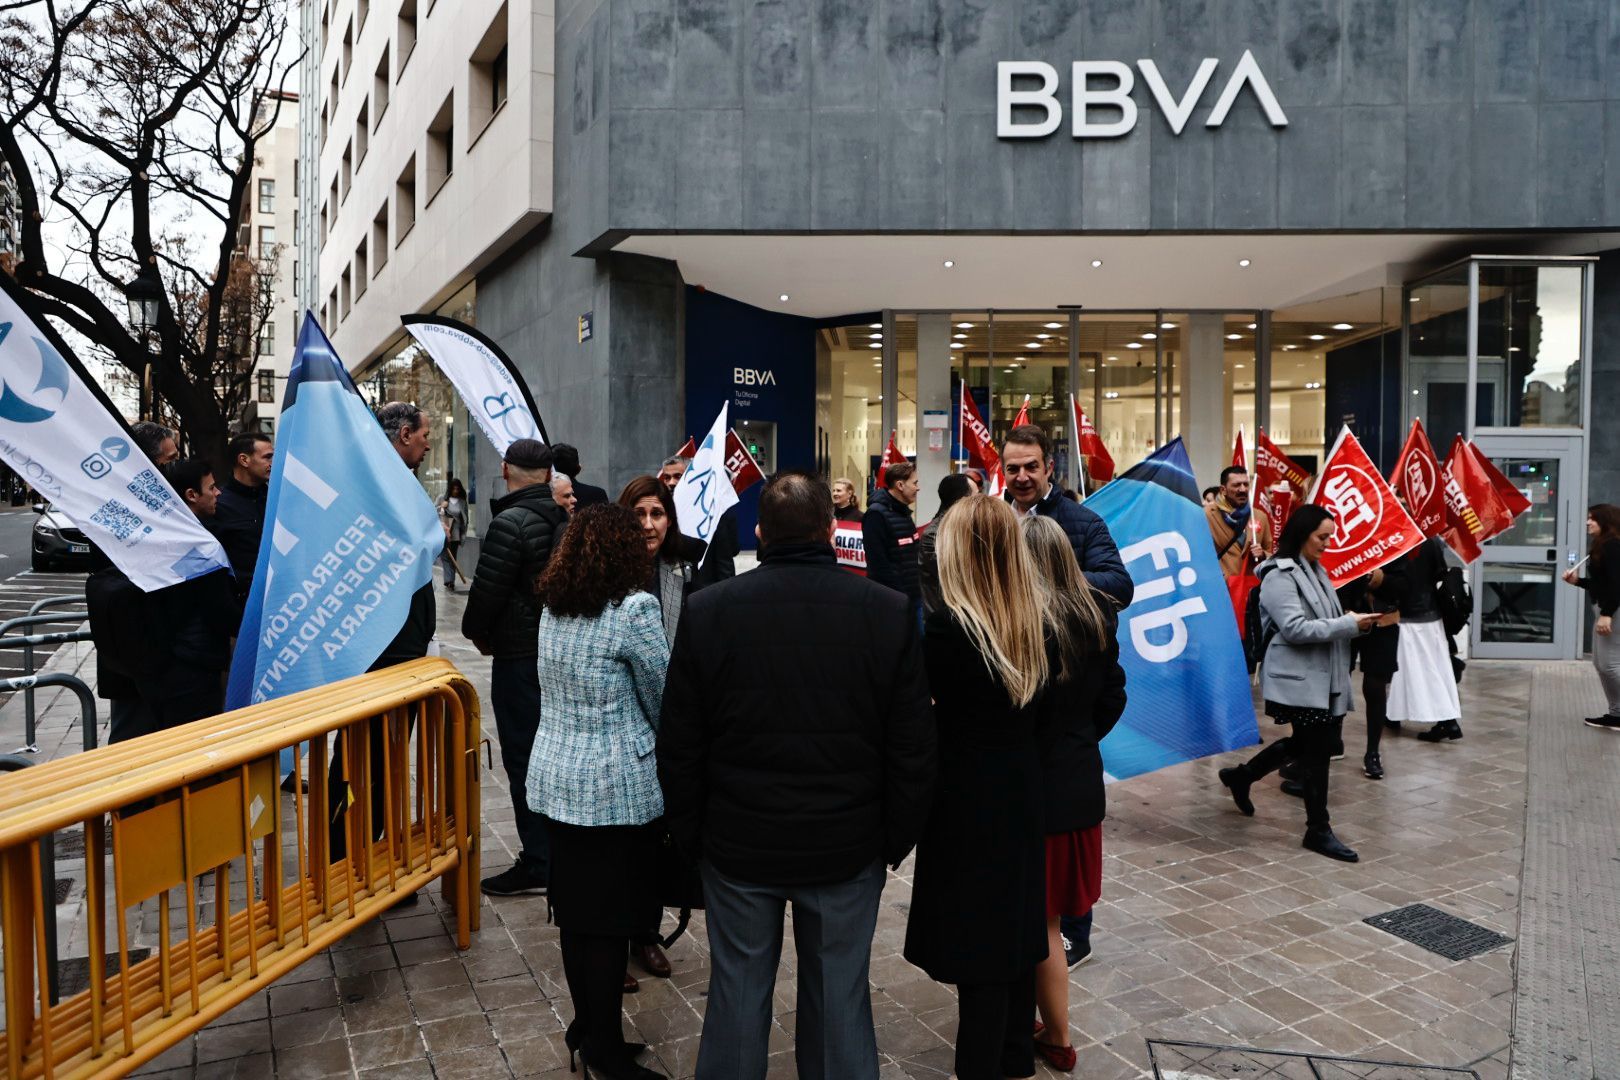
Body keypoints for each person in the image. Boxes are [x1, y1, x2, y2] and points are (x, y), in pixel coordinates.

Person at [658, 471, 935, 1080]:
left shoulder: (709, 611)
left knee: (736, 999)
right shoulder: (884, 612)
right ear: (832, 530)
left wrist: (694, 834)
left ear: (761, 534)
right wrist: (891, 839)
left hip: (742, 844)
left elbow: (679, 741)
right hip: (842, 845)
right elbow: (914, 744)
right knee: (838, 1002)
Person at [905, 495, 1056, 1080]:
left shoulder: (947, 632)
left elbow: (919, 722)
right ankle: (1015, 1057)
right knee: (1015, 934)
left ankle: (984, 1067)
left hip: (967, 802)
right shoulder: (1036, 621)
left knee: (982, 957)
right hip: (1019, 792)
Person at [527, 503, 670, 1080]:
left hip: (558, 781)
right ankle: (606, 1054)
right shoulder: (635, 609)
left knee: (577, 918)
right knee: (610, 924)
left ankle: (587, 1029)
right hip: (616, 790)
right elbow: (665, 697)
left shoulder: (554, 607)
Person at [1022, 516, 1126, 1071]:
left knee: (1037, 924)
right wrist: (1080, 739)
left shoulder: (1020, 625)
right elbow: (1114, 696)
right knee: (1052, 924)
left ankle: (1055, 1037)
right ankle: (1052, 1033)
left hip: (1036, 797)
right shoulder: (1097, 618)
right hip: (1079, 788)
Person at [1218, 505, 1378, 862]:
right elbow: (1295, 628)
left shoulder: (1314, 569)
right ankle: (1317, 829)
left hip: (1320, 677)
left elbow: (1325, 621)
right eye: (1322, 536)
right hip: (1300, 679)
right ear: (1302, 533)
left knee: (1305, 745)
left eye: (1329, 537)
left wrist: (1355, 622)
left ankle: (1242, 777)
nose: (1327, 543)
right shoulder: (1279, 575)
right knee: (1317, 751)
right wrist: (1351, 624)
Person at [328, 403, 439, 872]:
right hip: (380, 653)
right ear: (405, 434)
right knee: (363, 761)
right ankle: (346, 862)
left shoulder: (394, 483)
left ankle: (365, 852)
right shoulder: (376, 486)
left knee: (382, 761)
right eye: (425, 435)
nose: (429, 443)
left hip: (400, 650)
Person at [461, 440, 569, 897]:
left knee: (524, 760)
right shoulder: (562, 518)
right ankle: (558, 853)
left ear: (505, 469)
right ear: (547, 474)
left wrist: (476, 633)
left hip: (520, 659)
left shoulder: (511, 522)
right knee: (554, 760)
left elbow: (485, 597)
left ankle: (539, 862)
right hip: (556, 656)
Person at [616, 474, 702, 981]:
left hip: (672, 719)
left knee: (656, 837)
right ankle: (612, 935)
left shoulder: (682, 567)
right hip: (623, 723)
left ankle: (644, 934)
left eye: (657, 514)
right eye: (640, 513)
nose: (648, 524)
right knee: (622, 841)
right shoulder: (610, 570)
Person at [1000, 425, 1133, 608]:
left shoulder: (1085, 522)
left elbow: (1119, 587)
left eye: (1031, 467)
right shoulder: (992, 521)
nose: (1022, 477)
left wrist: (1055, 577)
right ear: (1003, 472)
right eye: (1013, 469)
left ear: (1049, 468)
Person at [1388, 535, 1464, 742]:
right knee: (1432, 667)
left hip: (1409, 614)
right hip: (1430, 612)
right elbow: (1438, 573)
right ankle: (1394, 713)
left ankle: (1447, 721)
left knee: (1419, 669)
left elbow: (1394, 579)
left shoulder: (1397, 539)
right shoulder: (1430, 539)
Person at [1337, 561, 1405, 780]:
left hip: (1383, 622)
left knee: (1375, 687)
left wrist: (1374, 577)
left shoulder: (1397, 542)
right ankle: (1332, 741)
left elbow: (1405, 587)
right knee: (1337, 681)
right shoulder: (1340, 538)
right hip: (1344, 620)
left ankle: (1373, 753)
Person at [1565, 505, 1620, 729]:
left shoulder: (1613, 546)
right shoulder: (1601, 546)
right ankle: (1616, 714)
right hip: (1604, 607)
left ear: (1606, 522)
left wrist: (1607, 614)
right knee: (1600, 663)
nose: (1588, 523)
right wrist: (1577, 582)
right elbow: (1602, 584)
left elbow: (1618, 585)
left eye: (1593, 519)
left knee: (1609, 664)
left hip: (1613, 611)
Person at [212, 432, 274, 604]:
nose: (272, 463)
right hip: (243, 604)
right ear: (244, 460)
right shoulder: (219, 505)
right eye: (267, 457)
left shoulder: (277, 497)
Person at [658, 455, 737, 586]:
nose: (671, 483)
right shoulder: (659, 514)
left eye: (678, 476)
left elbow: (725, 564)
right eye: (667, 478)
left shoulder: (712, 515)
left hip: (705, 596)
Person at [862, 461, 921, 610]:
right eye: (915, 483)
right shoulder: (876, 515)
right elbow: (878, 565)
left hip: (913, 597)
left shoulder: (903, 512)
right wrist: (900, 597)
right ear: (900, 485)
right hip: (894, 603)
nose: (918, 488)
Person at [917, 473, 973, 614]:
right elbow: (958, 574)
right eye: (975, 497)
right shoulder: (934, 534)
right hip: (942, 614)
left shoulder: (964, 527)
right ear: (962, 499)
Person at [1206, 465, 1272, 580]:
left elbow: (1271, 554)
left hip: (1248, 587)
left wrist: (1262, 554)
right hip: (1219, 586)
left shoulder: (1260, 516)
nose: (1243, 489)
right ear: (1223, 490)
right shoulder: (1207, 515)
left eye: (1246, 484)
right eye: (1236, 485)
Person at [436, 478, 468, 591]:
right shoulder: (442, 498)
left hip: (456, 534)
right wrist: (441, 507)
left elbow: (465, 520)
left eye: (457, 488)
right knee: (445, 556)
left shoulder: (462, 502)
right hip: (443, 532)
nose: (455, 490)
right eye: (453, 488)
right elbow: (433, 511)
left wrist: (463, 536)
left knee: (453, 557)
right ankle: (448, 579)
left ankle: (451, 581)